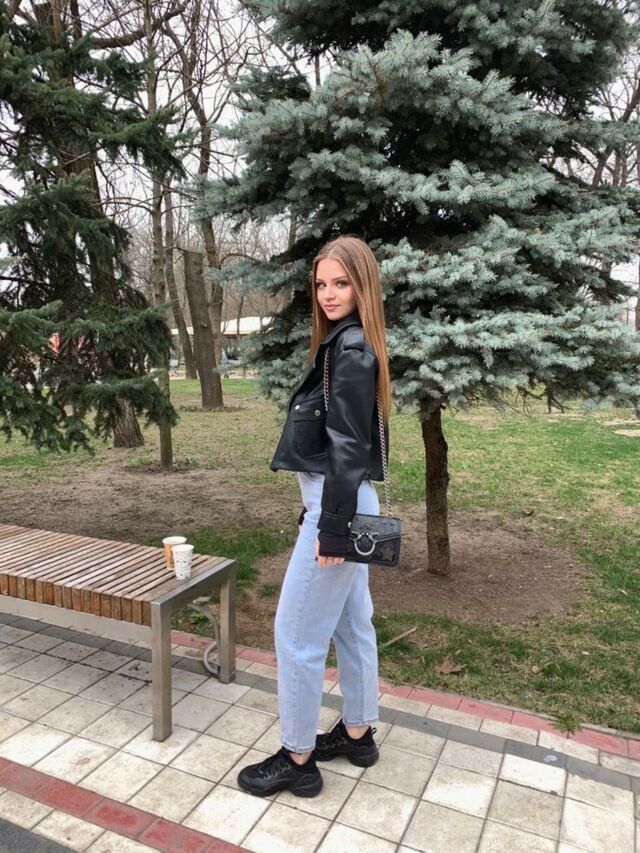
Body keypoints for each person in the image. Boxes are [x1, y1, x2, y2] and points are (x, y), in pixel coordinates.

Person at [237, 235, 392, 798]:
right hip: (350, 504)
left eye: (341, 283)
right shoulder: (347, 342)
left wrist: (329, 527)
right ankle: (358, 733)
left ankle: (298, 758)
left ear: (363, 285)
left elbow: (348, 447)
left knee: (296, 635)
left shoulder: (349, 350)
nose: (329, 294)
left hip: (337, 509)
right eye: (322, 284)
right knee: (352, 623)